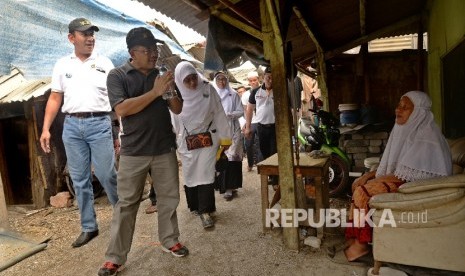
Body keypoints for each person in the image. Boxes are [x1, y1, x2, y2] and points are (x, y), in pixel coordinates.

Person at [98, 27, 187, 276]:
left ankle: (170, 240)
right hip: (133, 150)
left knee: (169, 199)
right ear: (132, 52)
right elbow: (122, 110)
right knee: (126, 204)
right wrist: (154, 92)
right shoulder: (118, 75)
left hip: (163, 147)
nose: (153, 54)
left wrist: (167, 90)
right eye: (146, 50)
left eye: (154, 50)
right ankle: (115, 258)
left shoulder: (161, 75)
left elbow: (178, 109)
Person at [343, 91, 452, 262]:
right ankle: (355, 239)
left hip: (417, 191)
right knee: (359, 185)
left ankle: (361, 246)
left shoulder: (427, 137)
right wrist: (369, 176)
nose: (397, 110)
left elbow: (409, 175)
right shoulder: (408, 130)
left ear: (418, 112)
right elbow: (397, 167)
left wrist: (374, 180)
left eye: (405, 107)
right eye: (398, 106)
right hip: (406, 184)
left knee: (362, 192)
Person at [39, 17, 118, 248]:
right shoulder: (63, 65)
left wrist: (122, 127)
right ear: (71, 38)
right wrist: (45, 129)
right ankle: (89, 226)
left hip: (99, 122)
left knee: (106, 173)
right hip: (72, 126)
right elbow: (55, 97)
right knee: (79, 179)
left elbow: (116, 97)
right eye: (85, 34)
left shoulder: (105, 63)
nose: (90, 38)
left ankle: (123, 214)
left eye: (92, 33)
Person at [174, 61, 231, 229]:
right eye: (187, 80)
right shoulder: (174, 95)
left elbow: (220, 113)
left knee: (205, 173)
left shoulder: (208, 89)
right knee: (190, 173)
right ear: (179, 81)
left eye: (194, 78)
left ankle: (206, 211)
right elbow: (173, 120)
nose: (192, 83)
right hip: (186, 142)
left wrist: (225, 139)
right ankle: (195, 207)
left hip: (208, 138)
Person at [212, 71, 244, 200]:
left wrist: (230, 114)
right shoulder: (212, 95)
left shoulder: (234, 94)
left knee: (232, 158)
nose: (222, 82)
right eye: (219, 80)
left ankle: (230, 187)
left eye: (224, 79)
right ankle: (220, 185)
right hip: (218, 131)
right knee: (220, 157)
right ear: (215, 81)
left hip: (233, 130)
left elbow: (241, 111)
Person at [244, 67, 277, 187]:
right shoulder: (255, 92)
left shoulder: (278, 91)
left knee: (274, 152)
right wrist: (247, 127)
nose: (270, 79)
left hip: (274, 127)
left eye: (272, 77)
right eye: (268, 76)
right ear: (263, 77)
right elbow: (249, 110)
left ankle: (275, 180)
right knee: (265, 152)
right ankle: (271, 175)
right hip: (261, 127)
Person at [242, 71, 263, 171]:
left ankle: (260, 165)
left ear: (258, 79)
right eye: (251, 81)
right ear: (248, 82)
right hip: (251, 122)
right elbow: (245, 110)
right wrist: (246, 124)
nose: (253, 82)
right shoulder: (245, 95)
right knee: (248, 144)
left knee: (260, 144)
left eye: (255, 80)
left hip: (261, 121)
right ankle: (250, 164)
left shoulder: (263, 91)